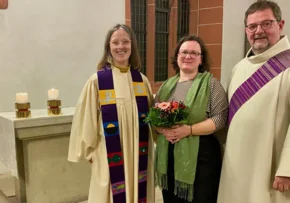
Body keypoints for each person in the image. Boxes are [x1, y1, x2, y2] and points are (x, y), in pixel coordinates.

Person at [68, 24, 155, 203]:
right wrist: (90, 151)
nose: (120, 47)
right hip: (108, 153)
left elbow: (151, 118)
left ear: (132, 46)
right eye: (115, 42)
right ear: (109, 47)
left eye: (125, 42)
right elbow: (87, 119)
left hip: (138, 152)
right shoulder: (98, 81)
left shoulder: (141, 81)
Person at [218, 1, 290, 203]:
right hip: (234, 162)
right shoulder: (239, 68)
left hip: (269, 168)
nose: (259, 31)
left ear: (280, 25)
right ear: (246, 30)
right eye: (252, 26)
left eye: (266, 24)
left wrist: (287, 168)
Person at [154, 35, 228, 203]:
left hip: (201, 156)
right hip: (169, 154)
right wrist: (163, 130)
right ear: (177, 56)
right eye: (184, 52)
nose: (188, 56)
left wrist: (189, 130)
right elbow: (154, 119)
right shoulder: (166, 86)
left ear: (201, 59)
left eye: (194, 53)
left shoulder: (211, 84)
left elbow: (220, 118)